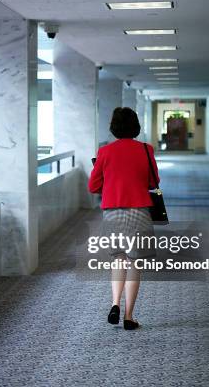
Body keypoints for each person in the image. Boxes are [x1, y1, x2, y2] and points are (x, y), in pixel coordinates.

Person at [88, 107, 160, 330]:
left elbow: (93, 186)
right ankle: (129, 317)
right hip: (139, 211)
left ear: (114, 127)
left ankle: (115, 303)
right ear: (136, 125)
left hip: (113, 211)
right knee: (135, 263)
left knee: (118, 258)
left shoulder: (105, 152)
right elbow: (154, 182)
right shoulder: (146, 150)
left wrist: (111, 181)